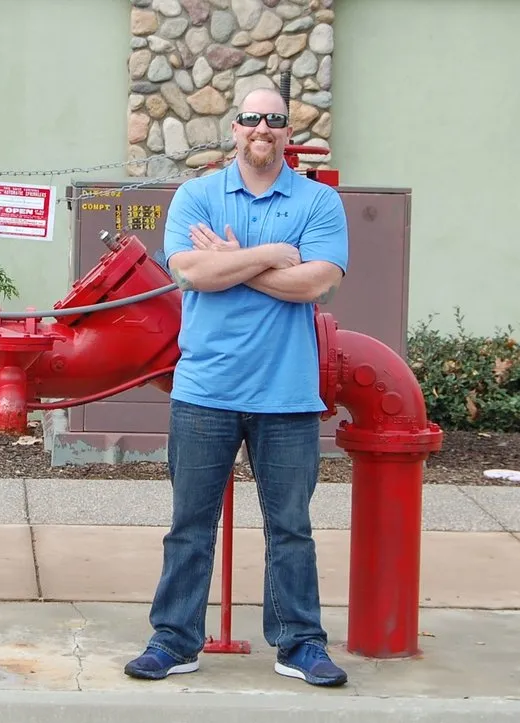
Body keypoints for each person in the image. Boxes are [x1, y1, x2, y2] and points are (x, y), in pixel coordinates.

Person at [125, 88, 350, 687]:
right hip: (206, 391)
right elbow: (189, 271)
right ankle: (174, 640)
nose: (262, 128)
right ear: (234, 129)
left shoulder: (319, 200)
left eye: (275, 119)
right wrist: (274, 254)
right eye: (251, 117)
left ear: (287, 132)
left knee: (292, 530)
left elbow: (318, 283)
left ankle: (300, 644)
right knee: (189, 526)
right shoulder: (197, 195)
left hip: (288, 395)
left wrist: (234, 263)